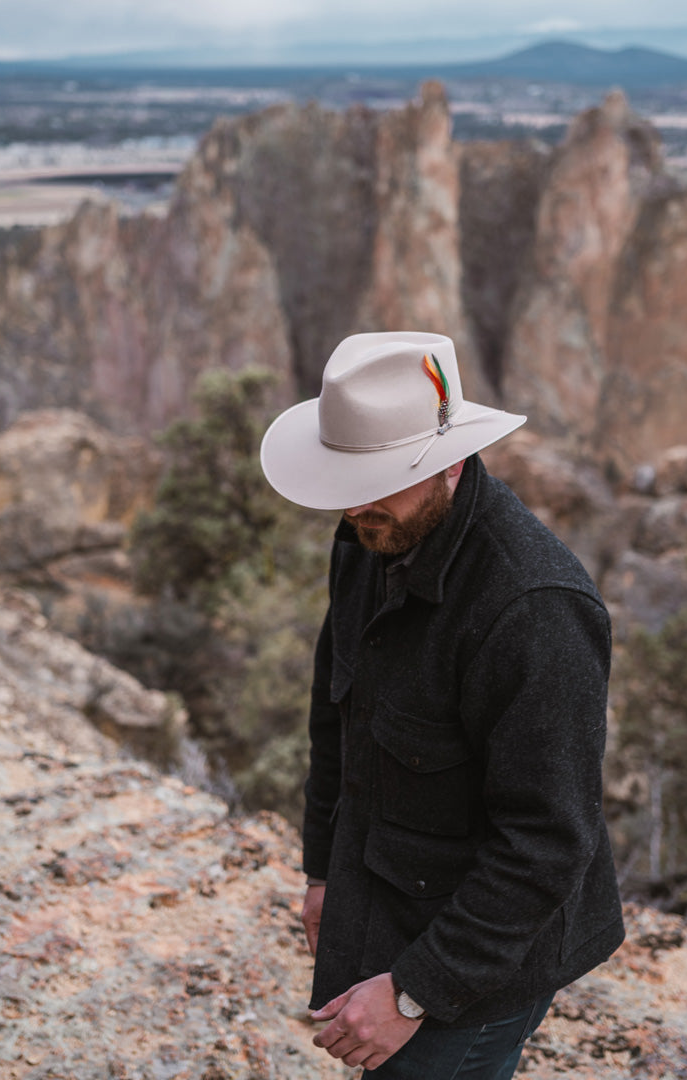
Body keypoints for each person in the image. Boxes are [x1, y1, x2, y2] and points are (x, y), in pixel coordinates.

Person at [260, 331, 624, 1077]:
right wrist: (324, 874)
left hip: (489, 953)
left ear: (449, 459)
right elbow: (337, 717)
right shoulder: (367, 531)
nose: (356, 504)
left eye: (382, 478)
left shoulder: (534, 609)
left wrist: (412, 993)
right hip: (392, 893)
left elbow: (548, 843)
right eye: (345, 479)